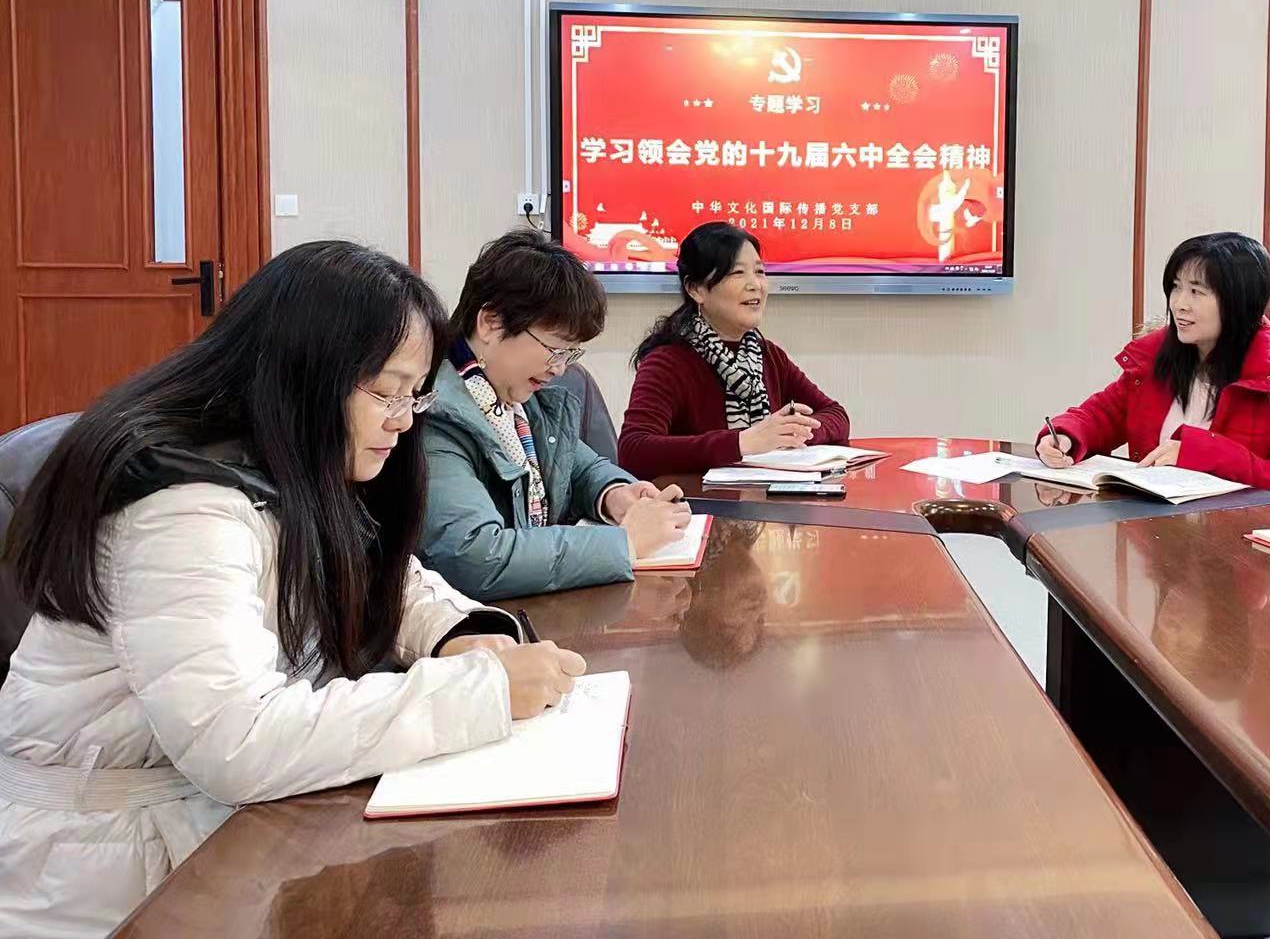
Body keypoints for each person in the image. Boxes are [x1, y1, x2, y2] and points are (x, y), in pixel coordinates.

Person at [0, 241, 587, 939]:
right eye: (387, 391)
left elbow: (385, 576)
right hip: (107, 871)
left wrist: (458, 634)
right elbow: (236, 739)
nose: (404, 420)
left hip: (210, 827)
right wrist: (478, 691)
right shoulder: (181, 507)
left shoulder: (289, 461)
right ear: (303, 376)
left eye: (414, 393)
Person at [420, 230, 690, 600]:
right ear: (491, 323)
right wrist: (624, 543)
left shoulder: (518, 395)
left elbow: (581, 467)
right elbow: (474, 556)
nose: (560, 369)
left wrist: (616, 494)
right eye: (554, 349)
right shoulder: (437, 413)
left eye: (570, 354)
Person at [1039, 232, 1270, 497]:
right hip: (1150, 530)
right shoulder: (1155, 357)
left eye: (1197, 291)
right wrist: (1067, 435)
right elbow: (1104, 415)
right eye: (1176, 286)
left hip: (1232, 541)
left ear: (1239, 302)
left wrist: (1205, 454)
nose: (1179, 303)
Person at [619, 223, 850, 480]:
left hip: (764, 497)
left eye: (760, 272)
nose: (755, 285)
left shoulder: (768, 355)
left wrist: (794, 433)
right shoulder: (668, 361)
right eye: (737, 272)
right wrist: (741, 443)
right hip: (695, 501)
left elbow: (836, 415)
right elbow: (634, 450)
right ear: (696, 289)